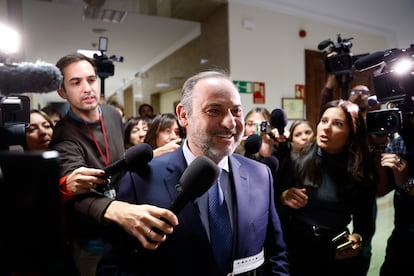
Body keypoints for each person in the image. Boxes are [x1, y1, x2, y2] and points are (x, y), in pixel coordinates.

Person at [97, 70, 290, 275]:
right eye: (214, 110)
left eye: (236, 111)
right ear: (183, 115)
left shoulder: (260, 174)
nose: (230, 123)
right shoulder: (141, 179)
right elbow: (115, 266)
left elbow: (275, 253)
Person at [49, 53, 178, 276]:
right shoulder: (63, 134)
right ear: (62, 91)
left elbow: (117, 160)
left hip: (126, 225)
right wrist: (117, 210)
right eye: (76, 82)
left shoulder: (111, 114)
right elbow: (77, 193)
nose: (87, 88)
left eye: (91, 79)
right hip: (94, 234)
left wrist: (154, 154)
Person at [275, 99, 376, 276]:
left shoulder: (358, 167)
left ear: (351, 133)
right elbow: (273, 203)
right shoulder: (296, 158)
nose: (326, 128)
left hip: (336, 248)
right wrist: (284, 196)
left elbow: (365, 221)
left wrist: (357, 238)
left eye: (337, 124)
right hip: (297, 246)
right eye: (324, 121)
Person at [378, 105, 414, 275]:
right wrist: (377, 150)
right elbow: (381, 190)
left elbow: (404, 184)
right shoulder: (399, 143)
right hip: (403, 231)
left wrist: (406, 183)